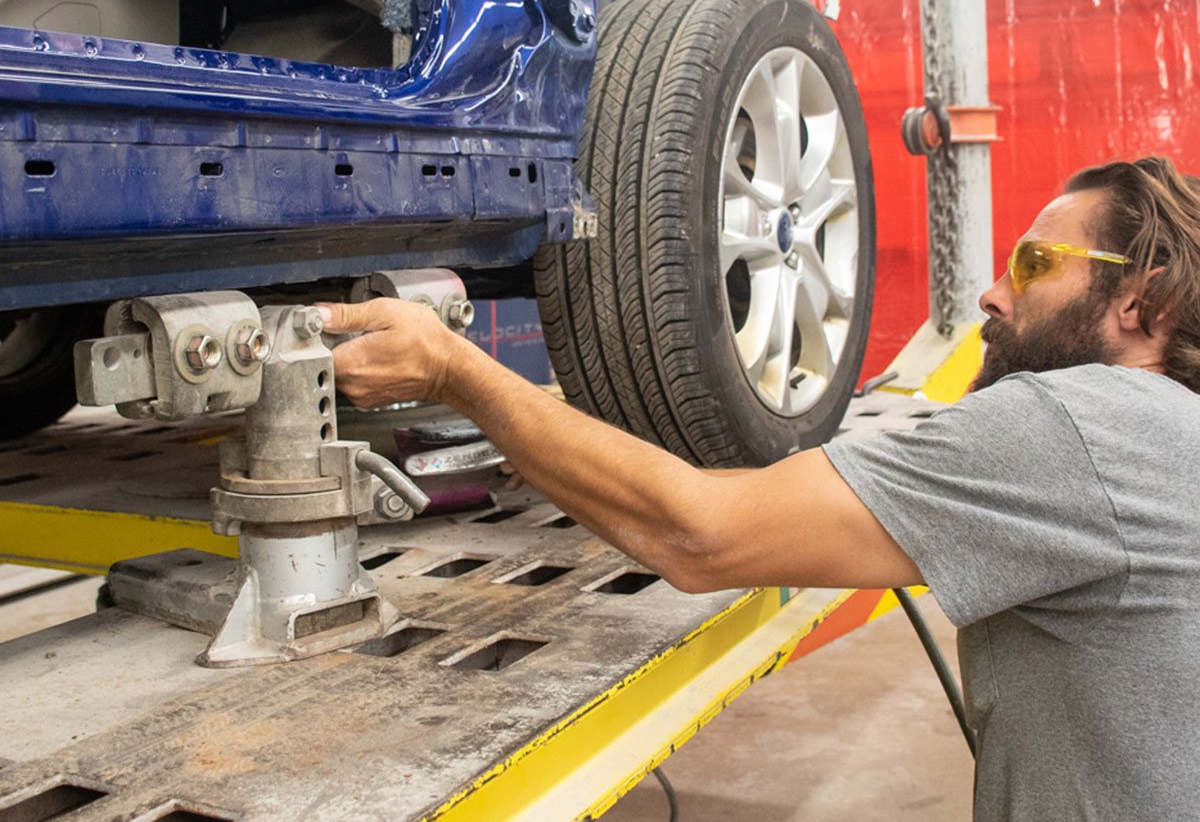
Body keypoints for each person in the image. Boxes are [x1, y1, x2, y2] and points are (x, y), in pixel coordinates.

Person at [319, 156, 1200, 822]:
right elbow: (772, 500)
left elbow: (702, 536)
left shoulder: (1077, 425)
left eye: (1036, 261)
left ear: (1144, 299)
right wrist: (551, 442)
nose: (992, 293)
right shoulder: (1158, 435)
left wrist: (455, 372)